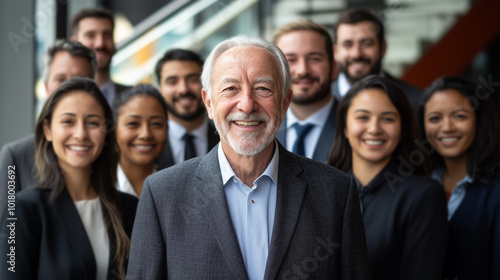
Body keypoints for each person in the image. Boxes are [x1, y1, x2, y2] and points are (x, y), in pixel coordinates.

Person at [127, 36, 370, 279]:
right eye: (230, 88)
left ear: (284, 103)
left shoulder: (336, 191)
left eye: (263, 89)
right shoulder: (162, 194)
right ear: (209, 103)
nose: (247, 105)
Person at [0, 77, 138, 280]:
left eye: (92, 122)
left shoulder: (130, 208)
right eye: (68, 121)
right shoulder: (23, 209)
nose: (80, 134)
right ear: (47, 129)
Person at [327, 75, 448, 280]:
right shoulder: (323, 187)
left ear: (402, 130)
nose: (374, 129)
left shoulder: (424, 196)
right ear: (346, 127)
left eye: (388, 118)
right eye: (363, 117)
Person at [0, 39, 96, 220]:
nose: (69, 90)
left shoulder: (105, 149)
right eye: (61, 79)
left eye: (79, 81)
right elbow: (8, 232)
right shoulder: (16, 156)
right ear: (45, 87)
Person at [418, 76, 500, 280]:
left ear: (479, 122)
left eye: (459, 116)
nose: (446, 127)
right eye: (435, 118)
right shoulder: (418, 185)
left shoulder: (496, 192)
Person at [332, 8, 421, 111]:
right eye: (347, 45)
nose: (356, 54)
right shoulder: (319, 101)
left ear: (382, 48)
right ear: (336, 52)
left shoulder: (415, 101)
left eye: (366, 44)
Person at [273, 19, 337, 162]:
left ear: (334, 67)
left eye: (314, 59)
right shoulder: (263, 128)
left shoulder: (357, 128)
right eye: (290, 60)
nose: (303, 70)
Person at [155, 49, 219, 169]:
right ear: (160, 91)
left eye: (193, 80)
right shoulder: (149, 144)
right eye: (172, 82)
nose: (183, 89)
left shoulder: (226, 139)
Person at [112, 84, 168, 197]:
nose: (145, 134)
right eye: (133, 123)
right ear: (114, 130)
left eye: (156, 124)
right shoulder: (97, 187)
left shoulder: (177, 186)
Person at [71, 7, 130, 105]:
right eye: (90, 36)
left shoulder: (135, 98)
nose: (100, 44)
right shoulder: (64, 98)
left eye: (107, 35)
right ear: (75, 44)